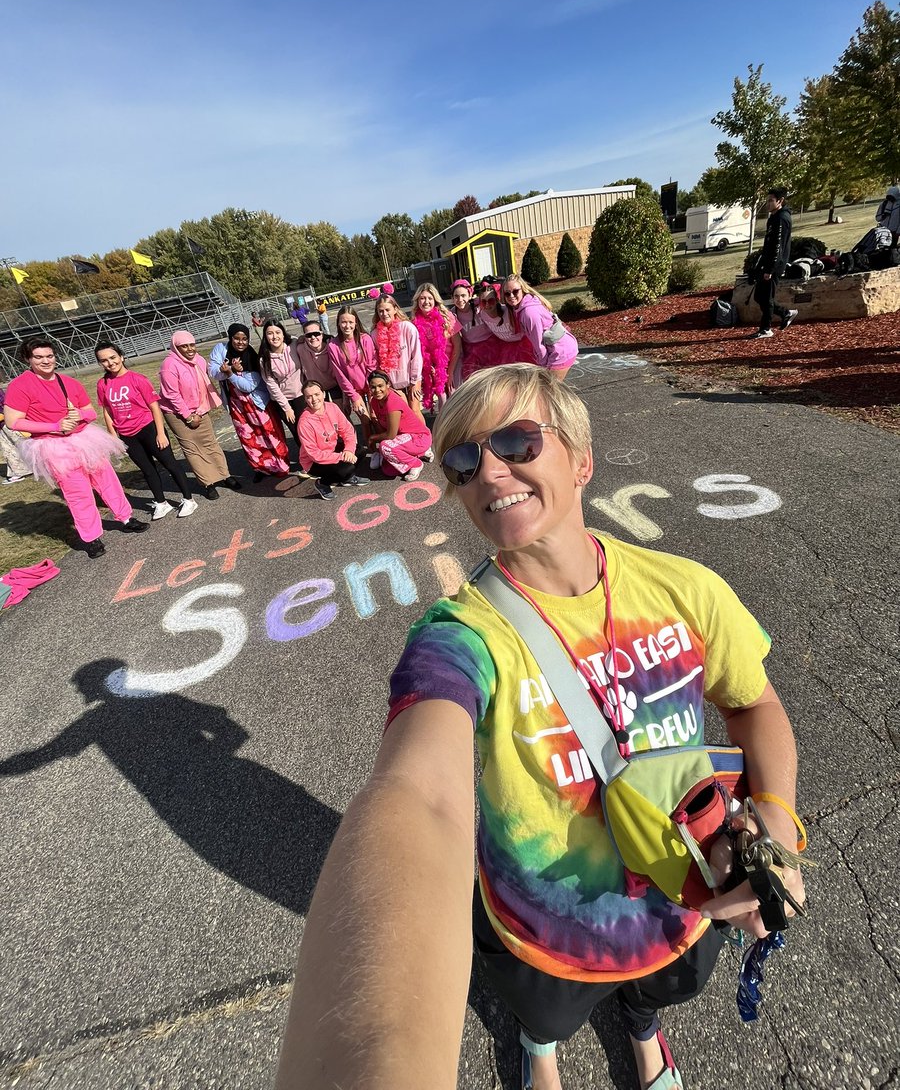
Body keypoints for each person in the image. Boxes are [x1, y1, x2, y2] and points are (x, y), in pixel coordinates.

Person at [275, 363, 806, 1090]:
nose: (490, 472)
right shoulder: (463, 635)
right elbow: (419, 795)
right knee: (545, 1014)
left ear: (583, 460)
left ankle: (644, 1031)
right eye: (463, 462)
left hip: (681, 900)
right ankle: (540, 1045)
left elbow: (754, 706)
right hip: (540, 928)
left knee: (660, 994)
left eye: (518, 443)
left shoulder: (687, 589)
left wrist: (773, 828)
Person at [4, 337, 148, 558]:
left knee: (107, 480)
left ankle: (126, 518)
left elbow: (89, 412)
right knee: (78, 494)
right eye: (39, 357)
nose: (46, 361)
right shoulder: (20, 385)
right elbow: (14, 421)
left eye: (49, 356)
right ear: (28, 359)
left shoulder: (68, 382)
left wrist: (79, 415)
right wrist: (55, 426)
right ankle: (91, 538)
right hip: (53, 446)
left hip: (84, 439)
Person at [95, 341, 197, 520]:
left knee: (170, 464)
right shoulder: (103, 384)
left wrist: (160, 433)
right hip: (127, 434)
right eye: (104, 360)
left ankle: (188, 499)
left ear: (121, 357)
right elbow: (107, 410)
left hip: (148, 428)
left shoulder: (137, 379)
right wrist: (113, 436)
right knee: (147, 470)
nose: (110, 363)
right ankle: (161, 503)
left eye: (112, 357)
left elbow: (154, 406)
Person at [157, 331, 239, 501]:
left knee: (210, 443)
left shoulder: (199, 360)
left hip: (200, 409)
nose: (189, 349)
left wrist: (228, 371)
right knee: (192, 448)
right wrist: (188, 416)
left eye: (192, 345)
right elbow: (172, 395)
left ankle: (224, 475)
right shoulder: (169, 365)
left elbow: (211, 375)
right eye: (184, 346)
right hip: (177, 413)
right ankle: (207, 483)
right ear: (176, 347)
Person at [208, 324, 290, 482]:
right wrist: (227, 370)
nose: (241, 342)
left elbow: (248, 386)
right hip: (238, 406)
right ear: (230, 338)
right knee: (249, 438)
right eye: (236, 338)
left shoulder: (251, 355)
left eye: (244, 339)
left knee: (269, 434)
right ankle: (260, 468)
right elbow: (213, 371)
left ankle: (280, 465)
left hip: (257, 404)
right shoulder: (221, 349)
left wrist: (230, 373)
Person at [297, 380, 371, 501]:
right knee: (346, 468)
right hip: (313, 462)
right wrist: (342, 456)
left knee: (361, 451)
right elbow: (314, 454)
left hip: (332, 448)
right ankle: (323, 483)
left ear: (324, 394)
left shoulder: (332, 407)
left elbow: (347, 430)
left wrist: (349, 450)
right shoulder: (305, 422)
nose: (314, 399)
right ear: (305, 399)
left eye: (317, 394)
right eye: (309, 397)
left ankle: (346, 479)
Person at [502, 275, 579, 378]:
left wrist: (543, 369)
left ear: (523, 290)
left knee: (549, 389)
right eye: (507, 293)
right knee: (551, 390)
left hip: (561, 351)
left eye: (515, 291)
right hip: (561, 346)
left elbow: (540, 346)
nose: (511, 296)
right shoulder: (528, 302)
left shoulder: (529, 313)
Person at [366, 369, 433, 481]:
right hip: (404, 438)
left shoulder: (392, 402)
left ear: (388, 385)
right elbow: (384, 427)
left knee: (386, 447)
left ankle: (416, 463)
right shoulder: (374, 401)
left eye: (380, 386)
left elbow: (390, 435)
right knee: (387, 470)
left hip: (419, 437)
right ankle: (418, 453)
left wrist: (373, 438)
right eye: (373, 387)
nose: (377, 390)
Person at [753, 188, 798, 339]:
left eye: (771, 201)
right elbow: (769, 244)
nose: (768, 204)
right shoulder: (773, 218)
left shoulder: (782, 219)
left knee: (766, 297)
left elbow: (778, 246)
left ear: (780, 201)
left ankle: (766, 329)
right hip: (767, 264)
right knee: (759, 296)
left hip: (774, 266)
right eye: (767, 201)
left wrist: (770, 269)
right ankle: (785, 313)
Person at [259, 318, 306, 456]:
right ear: (265, 336)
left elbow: (309, 340)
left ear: (283, 333)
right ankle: (307, 460)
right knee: (297, 431)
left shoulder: (294, 344)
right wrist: (286, 408)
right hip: (283, 400)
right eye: (270, 333)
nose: (274, 336)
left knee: (308, 428)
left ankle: (320, 455)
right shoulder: (264, 359)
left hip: (301, 394)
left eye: (278, 332)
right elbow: (271, 384)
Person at [411, 283, 460, 412]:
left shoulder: (446, 317)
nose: (426, 302)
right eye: (422, 298)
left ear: (435, 300)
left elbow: (458, 346)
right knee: (442, 397)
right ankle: (444, 427)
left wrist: (449, 372)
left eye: (430, 298)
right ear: (417, 301)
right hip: (432, 367)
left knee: (455, 398)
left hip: (452, 364)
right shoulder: (414, 323)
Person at [371, 293, 423, 410]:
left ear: (395, 309)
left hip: (412, 380)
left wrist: (415, 381)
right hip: (392, 384)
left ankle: (426, 429)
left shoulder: (407, 327)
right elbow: (378, 362)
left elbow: (416, 356)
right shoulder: (375, 334)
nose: (384, 314)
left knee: (415, 411)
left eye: (387, 310)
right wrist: (386, 385)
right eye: (381, 311)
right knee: (402, 414)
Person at [328, 307, 377, 417]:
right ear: (338, 323)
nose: (347, 326)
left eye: (350, 322)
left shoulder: (365, 339)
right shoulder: (333, 345)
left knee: (375, 417)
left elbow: (372, 366)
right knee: (365, 419)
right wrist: (353, 396)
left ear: (356, 323)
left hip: (371, 385)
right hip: (354, 390)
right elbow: (340, 375)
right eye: (343, 322)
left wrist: (372, 388)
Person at [479, 283, 540, 366]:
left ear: (497, 300)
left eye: (491, 301)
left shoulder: (509, 311)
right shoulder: (482, 314)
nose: (487, 305)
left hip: (523, 344)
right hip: (505, 346)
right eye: (483, 302)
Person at [449, 278, 492, 383]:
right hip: (471, 349)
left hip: (490, 345)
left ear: (470, 295)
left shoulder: (479, 304)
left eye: (463, 296)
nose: (460, 300)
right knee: (474, 380)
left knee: (491, 376)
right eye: (456, 296)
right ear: (452, 298)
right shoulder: (453, 314)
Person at [296, 317, 341, 401]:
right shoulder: (300, 349)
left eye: (316, 334)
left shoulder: (332, 346)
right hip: (316, 388)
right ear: (304, 337)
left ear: (322, 334)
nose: (313, 337)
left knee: (341, 411)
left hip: (336, 384)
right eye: (308, 335)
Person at [0, 383, 30, 484]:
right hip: (6, 423)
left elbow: (5, 404)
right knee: (11, 446)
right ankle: (21, 470)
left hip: (8, 423)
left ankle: (18, 472)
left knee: (13, 446)